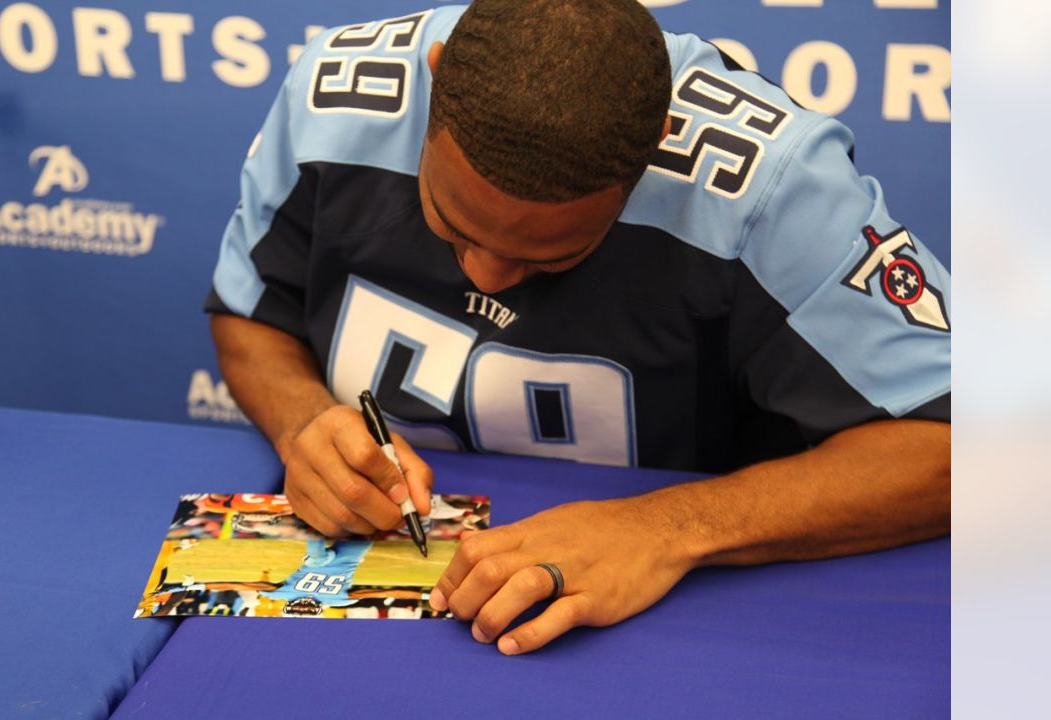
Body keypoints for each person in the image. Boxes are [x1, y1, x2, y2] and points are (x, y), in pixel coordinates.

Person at [204, 0, 950, 654]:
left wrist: (665, 530)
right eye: (455, 227)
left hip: (685, 615)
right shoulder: (332, 98)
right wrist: (305, 420)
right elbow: (251, 315)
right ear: (434, 83)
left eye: (547, 256)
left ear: (655, 144)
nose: (484, 276)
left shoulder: (774, 186)